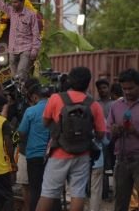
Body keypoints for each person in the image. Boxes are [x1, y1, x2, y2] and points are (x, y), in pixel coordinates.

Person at [36, 67, 106, 211]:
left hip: (58, 153)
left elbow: (45, 122)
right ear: (88, 83)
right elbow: (100, 134)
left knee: (48, 192)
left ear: (69, 81)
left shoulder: (56, 99)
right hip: (83, 154)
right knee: (78, 193)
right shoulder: (94, 104)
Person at [107, 68, 139, 211]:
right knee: (120, 202)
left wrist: (134, 131)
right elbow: (107, 133)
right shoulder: (116, 106)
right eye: (124, 88)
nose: (127, 92)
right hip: (121, 160)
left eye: (130, 88)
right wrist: (114, 131)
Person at [17, 83, 51, 211]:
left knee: (35, 189)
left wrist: (17, 142)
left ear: (35, 97)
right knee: (51, 189)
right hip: (52, 156)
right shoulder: (55, 108)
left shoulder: (30, 111)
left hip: (33, 156)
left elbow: (21, 132)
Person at [95, 78, 114, 200]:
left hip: (113, 139)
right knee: (101, 166)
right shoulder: (96, 104)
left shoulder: (114, 104)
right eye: (100, 88)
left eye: (104, 88)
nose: (102, 90)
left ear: (109, 88)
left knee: (110, 166)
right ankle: (103, 192)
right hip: (100, 140)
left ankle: (109, 190)